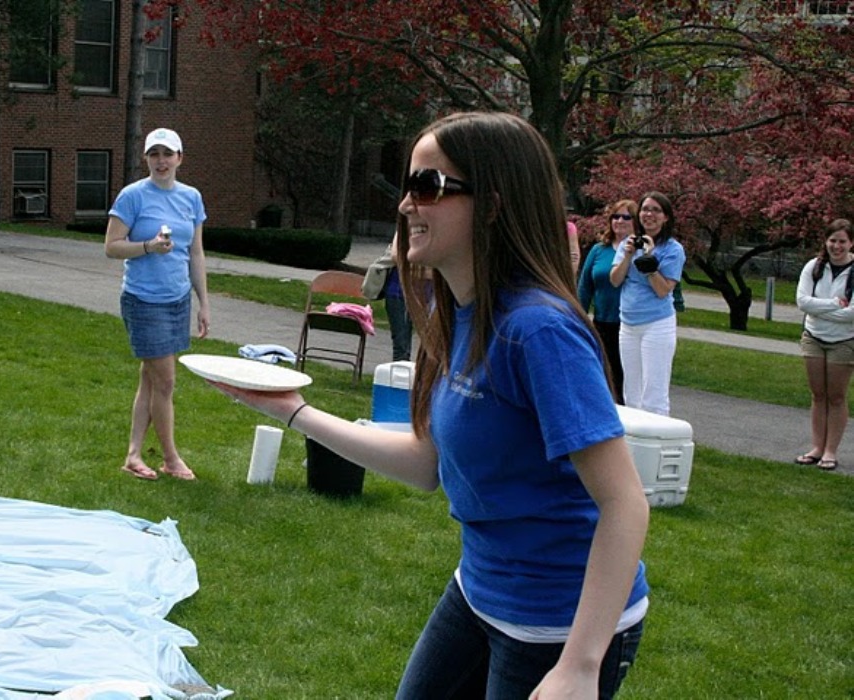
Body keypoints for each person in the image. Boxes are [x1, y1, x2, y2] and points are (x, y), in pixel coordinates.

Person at [211, 112, 650, 699]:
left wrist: (579, 665)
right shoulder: (457, 313)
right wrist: (293, 410)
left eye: (428, 186)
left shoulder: (539, 331)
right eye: (407, 186)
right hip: (480, 590)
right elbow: (427, 463)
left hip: (558, 622)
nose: (405, 206)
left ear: (493, 205)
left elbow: (624, 503)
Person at [104, 127, 210, 481]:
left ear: (180, 158)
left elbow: (195, 252)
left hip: (176, 299)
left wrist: (203, 303)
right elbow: (112, 247)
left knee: (150, 381)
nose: (161, 161)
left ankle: (134, 454)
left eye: (168, 154)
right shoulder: (132, 196)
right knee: (165, 382)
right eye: (155, 154)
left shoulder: (191, 197)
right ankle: (171, 458)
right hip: (143, 299)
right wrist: (148, 246)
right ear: (146, 158)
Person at [609, 192, 685, 416]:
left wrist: (650, 261)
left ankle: (657, 442)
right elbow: (615, 280)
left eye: (656, 210)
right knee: (631, 392)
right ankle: (633, 445)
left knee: (654, 394)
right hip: (628, 324)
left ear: (666, 218)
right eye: (645, 209)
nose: (649, 214)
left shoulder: (672, 249)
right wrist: (628, 254)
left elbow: (663, 291)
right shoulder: (627, 243)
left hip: (657, 324)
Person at [794, 218, 854, 471]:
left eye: (842, 241)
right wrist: (833, 304)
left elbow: (852, 314)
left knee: (836, 396)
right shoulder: (814, 267)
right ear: (825, 241)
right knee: (818, 394)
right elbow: (803, 302)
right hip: (813, 336)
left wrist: (821, 309)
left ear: (851, 243)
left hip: (844, 340)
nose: (836, 246)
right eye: (832, 240)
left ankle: (831, 451)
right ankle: (817, 447)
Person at [578, 200, 637, 404]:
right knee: (602, 376)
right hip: (602, 322)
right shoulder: (599, 250)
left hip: (629, 324)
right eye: (615, 216)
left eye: (626, 217)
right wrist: (579, 317)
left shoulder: (641, 249)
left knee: (626, 378)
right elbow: (585, 286)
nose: (619, 221)